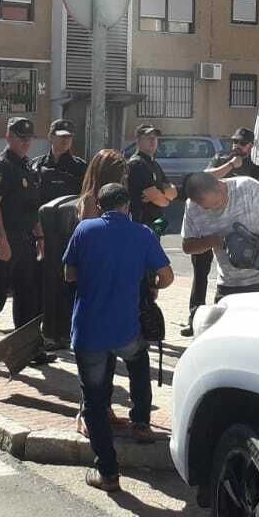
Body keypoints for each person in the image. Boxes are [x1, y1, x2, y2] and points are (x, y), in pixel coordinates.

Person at [62, 182, 175, 492]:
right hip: (126, 327)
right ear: (127, 206)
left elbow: (68, 274)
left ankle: (108, 473)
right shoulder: (142, 233)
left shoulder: (85, 230)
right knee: (138, 359)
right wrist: (143, 283)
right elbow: (167, 277)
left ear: (99, 205)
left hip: (89, 330)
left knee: (95, 404)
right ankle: (141, 421)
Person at [37, 148, 127, 351]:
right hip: (95, 262)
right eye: (120, 171)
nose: (124, 176)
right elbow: (90, 234)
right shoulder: (90, 199)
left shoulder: (114, 197)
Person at [183, 128, 259, 335]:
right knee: (200, 271)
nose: (237, 146)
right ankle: (194, 317)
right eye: (234, 141)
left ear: (250, 146)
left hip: (239, 234)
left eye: (242, 143)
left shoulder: (255, 170)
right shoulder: (220, 159)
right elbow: (201, 178)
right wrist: (230, 165)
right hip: (208, 224)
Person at [182, 170, 259, 299]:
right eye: (206, 208)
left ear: (220, 185)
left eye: (216, 203)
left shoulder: (247, 187)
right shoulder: (192, 207)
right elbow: (187, 246)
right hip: (228, 284)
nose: (212, 210)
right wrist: (213, 241)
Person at [0, 116, 49, 366]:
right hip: (6, 239)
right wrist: (1, 240)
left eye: (28, 138)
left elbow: (32, 207)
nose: (25, 143)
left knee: (28, 296)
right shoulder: (1, 166)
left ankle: (27, 351)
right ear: (8, 138)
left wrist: (40, 235)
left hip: (25, 240)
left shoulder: (29, 167)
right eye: (20, 138)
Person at [124, 124, 177, 228]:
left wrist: (160, 192)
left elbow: (173, 192)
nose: (153, 141)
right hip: (142, 222)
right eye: (148, 138)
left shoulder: (153, 164)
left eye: (155, 138)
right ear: (138, 142)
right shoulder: (137, 164)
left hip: (156, 222)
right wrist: (165, 199)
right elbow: (156, 197)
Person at [35, 118, 88, 203]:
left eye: (69, 136)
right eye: (62, 136)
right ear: (51, 137)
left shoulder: (81, 167)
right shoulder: (37, 165)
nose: (66, 140)